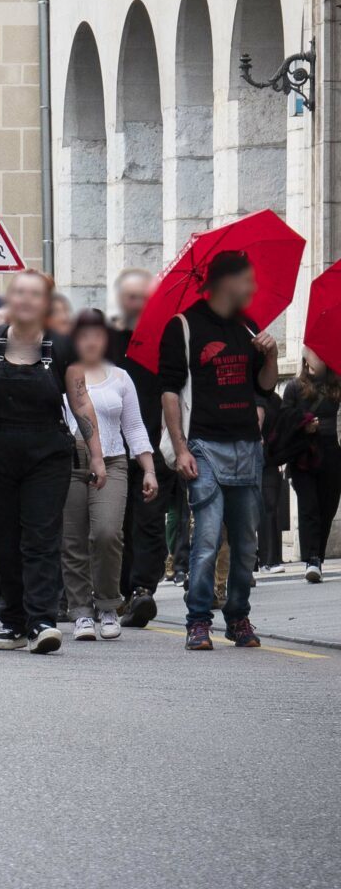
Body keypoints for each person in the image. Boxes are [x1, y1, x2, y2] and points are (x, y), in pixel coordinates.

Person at [0, 269, 106, 655]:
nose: (26, 300)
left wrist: (96, 456)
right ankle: (14, 623)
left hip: (46, 453)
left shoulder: (63, 348)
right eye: (19, 293)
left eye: (35, 294)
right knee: (3, 541)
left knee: (40, 536)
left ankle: (42, 621)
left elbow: (81, 402)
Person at [159, 250, 276, 650]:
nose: (254, 287)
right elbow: (170, 392)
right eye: (248, 279)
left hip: (246, 446)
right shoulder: (183, 327)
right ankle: (198, 620)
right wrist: (180, 448)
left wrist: (271, 355)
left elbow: (264, 386)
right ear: (227, 281)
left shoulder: (248, 327)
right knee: (207, 538)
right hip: (204, 445)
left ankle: (239, 616)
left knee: (246, 544)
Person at [59, 309, 157, 641]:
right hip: (72, 461)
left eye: (97, 334)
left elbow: (134, 426)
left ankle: (106, 604)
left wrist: (149, 469)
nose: (90, 341)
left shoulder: (120, 378)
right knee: (73, 540)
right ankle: (81, 612)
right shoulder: (63, 375)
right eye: (83, 334)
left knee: (106, 533)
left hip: (114, 461)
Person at [108, 268, 172, 627]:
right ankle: (118, 590)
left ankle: (141, 590)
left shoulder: (165, 340)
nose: (137, 303)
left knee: (148, 521)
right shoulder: (105, 339)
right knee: (117, 523)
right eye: (131, 296)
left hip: (152, 445)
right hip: (113, 447)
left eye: (143, 297)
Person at [283, 349, 340, 584]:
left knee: (327, 507)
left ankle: (318, 555)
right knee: (309, 507)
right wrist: (303, 426)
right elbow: (284, 420)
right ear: (306, 357)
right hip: (303, 454)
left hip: (331, 452)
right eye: (315, 353)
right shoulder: (294, 387)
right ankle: (312, 558)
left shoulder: (336, 387)